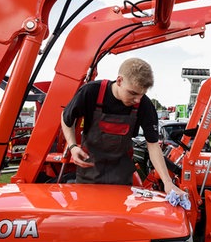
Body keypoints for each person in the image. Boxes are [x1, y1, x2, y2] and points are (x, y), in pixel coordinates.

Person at [61, 57, 184, 195]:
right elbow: (66, 118)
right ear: (119, 81)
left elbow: (153, 145)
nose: (137, 99)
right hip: (89, 174)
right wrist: (72, 146)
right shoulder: (91, 92)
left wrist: (167, 183)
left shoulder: (144, 105)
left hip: (122, 178)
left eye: (142, 94)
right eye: (133, 93)